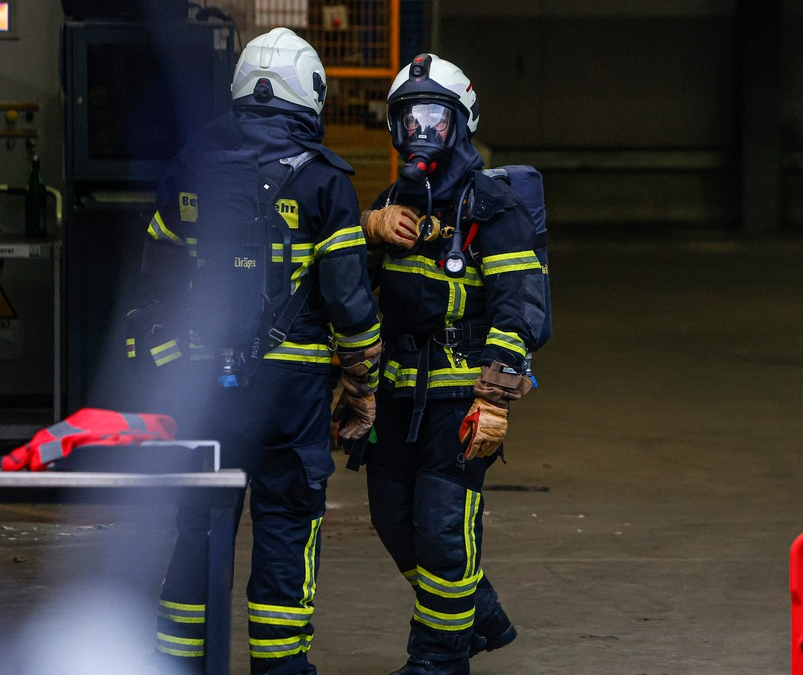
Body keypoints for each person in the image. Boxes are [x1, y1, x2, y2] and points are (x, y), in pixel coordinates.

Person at [136, 27, 380, 675]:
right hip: (291, 396)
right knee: (287, 526)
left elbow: (155, 281)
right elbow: (351, 306)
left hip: (202, 389)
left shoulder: (190, 163)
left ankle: (181, 664)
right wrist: (361, 390)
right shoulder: (325, 182)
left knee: (198, 529)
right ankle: (280, 668)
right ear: (313, 93)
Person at [352, 53, 548, 675]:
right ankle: (480, 613)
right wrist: (368, 231)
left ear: (461, 123)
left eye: (435, 118)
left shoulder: (494, 207)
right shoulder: (390, 204)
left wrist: (493, 396)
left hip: (460, 399)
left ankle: (437, 659)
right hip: (397, 395)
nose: (420, 134)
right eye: (408, 119)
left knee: (441, 528)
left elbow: (521, 312)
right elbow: (348, 288)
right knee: (391, 519)